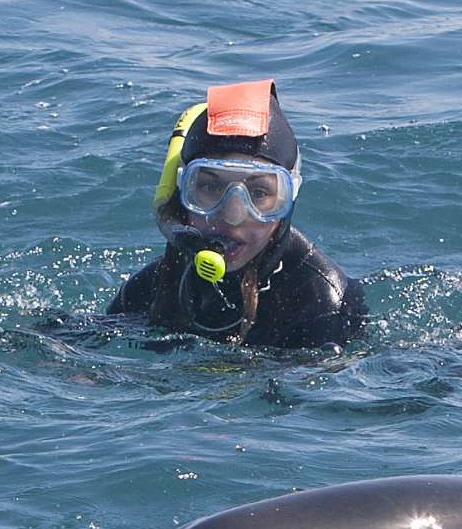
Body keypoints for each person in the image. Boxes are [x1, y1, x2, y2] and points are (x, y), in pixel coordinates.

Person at [108, 79, 366, 348]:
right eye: (210, 186)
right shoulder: (154, 286)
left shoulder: (324, 304)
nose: (232, 215)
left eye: (258, 193)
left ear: (289, 198)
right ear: (181, 190)